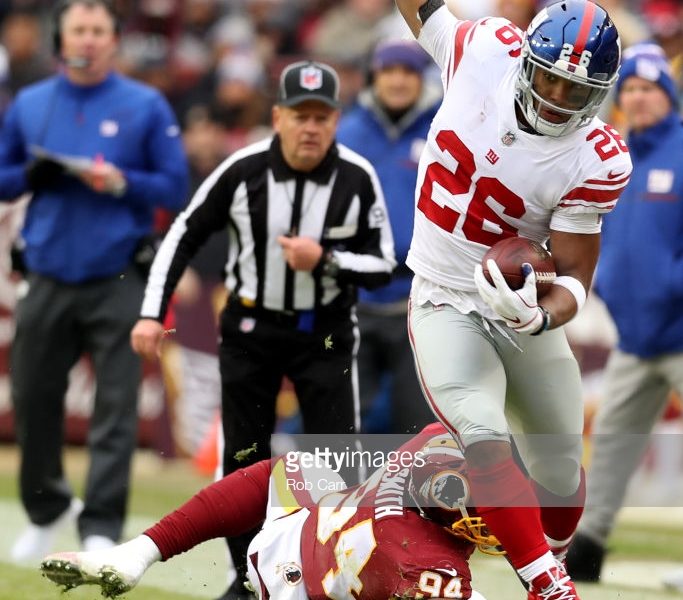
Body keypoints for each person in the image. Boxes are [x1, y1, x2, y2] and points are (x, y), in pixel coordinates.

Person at [130, 59, 396, 599]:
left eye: (322, 116)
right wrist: (151, 311)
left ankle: (331, 578)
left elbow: (384, 264)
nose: (311, 127)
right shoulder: (243, 169)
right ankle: (244, 579)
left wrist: (326, 260)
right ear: (277, 116)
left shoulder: (357, 177)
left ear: (336, 121)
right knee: (242, 460)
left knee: (337, 463)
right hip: (251, 328)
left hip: (324, 331)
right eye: (301, 115)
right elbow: (183, 234)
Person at [394, 1, 631, 599]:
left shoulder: (594, 156)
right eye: (549, 75)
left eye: (575, 89)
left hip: (518, 310)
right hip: (445, 296)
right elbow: (423, 10)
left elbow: (576, 275)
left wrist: (539, 314)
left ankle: (543, 554)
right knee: (481, 430)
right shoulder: (482, 52)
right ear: (525, 59)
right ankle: (545, 583)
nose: (555, 96)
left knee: (557, 469)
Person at [0, 0, 189, 561]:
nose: (87, 39)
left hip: (120, 273)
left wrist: (122, 181)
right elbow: (3, 178)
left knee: (116, 407)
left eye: (98, 30)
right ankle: (47, 506)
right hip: (48, 272)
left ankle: (101, 524)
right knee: (32, 397)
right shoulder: (30, 104)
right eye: (78, 29)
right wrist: (29, 174)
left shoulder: (145, 105)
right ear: (62, 40)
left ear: (113, 40)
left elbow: (175, 186)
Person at [40, 423, 491, 600]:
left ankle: (137, 551)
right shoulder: (428, 564)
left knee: (296, 466)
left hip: (304, 533)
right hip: (295, 582)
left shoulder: (428, 445)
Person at [565, 43, 683, 583]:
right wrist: (608, 284)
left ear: (668, 95)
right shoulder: (618, 159)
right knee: (611, 443)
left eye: (648, 88)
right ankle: (585, 552)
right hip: (635, 338)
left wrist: (667, 287)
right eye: (629, 88)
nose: (636, 98)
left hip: (679, 330)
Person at [336, 38, 440, 434]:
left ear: (421, 79)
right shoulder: (348, 133)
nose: (398, 81)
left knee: (420, 421)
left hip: (420, 295)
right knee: (343, 419)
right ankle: (334, 497)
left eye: (408, 72)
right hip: (357, 293)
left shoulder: (441, 128)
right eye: (389, 72)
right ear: (373, 78)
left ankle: (418, 498)